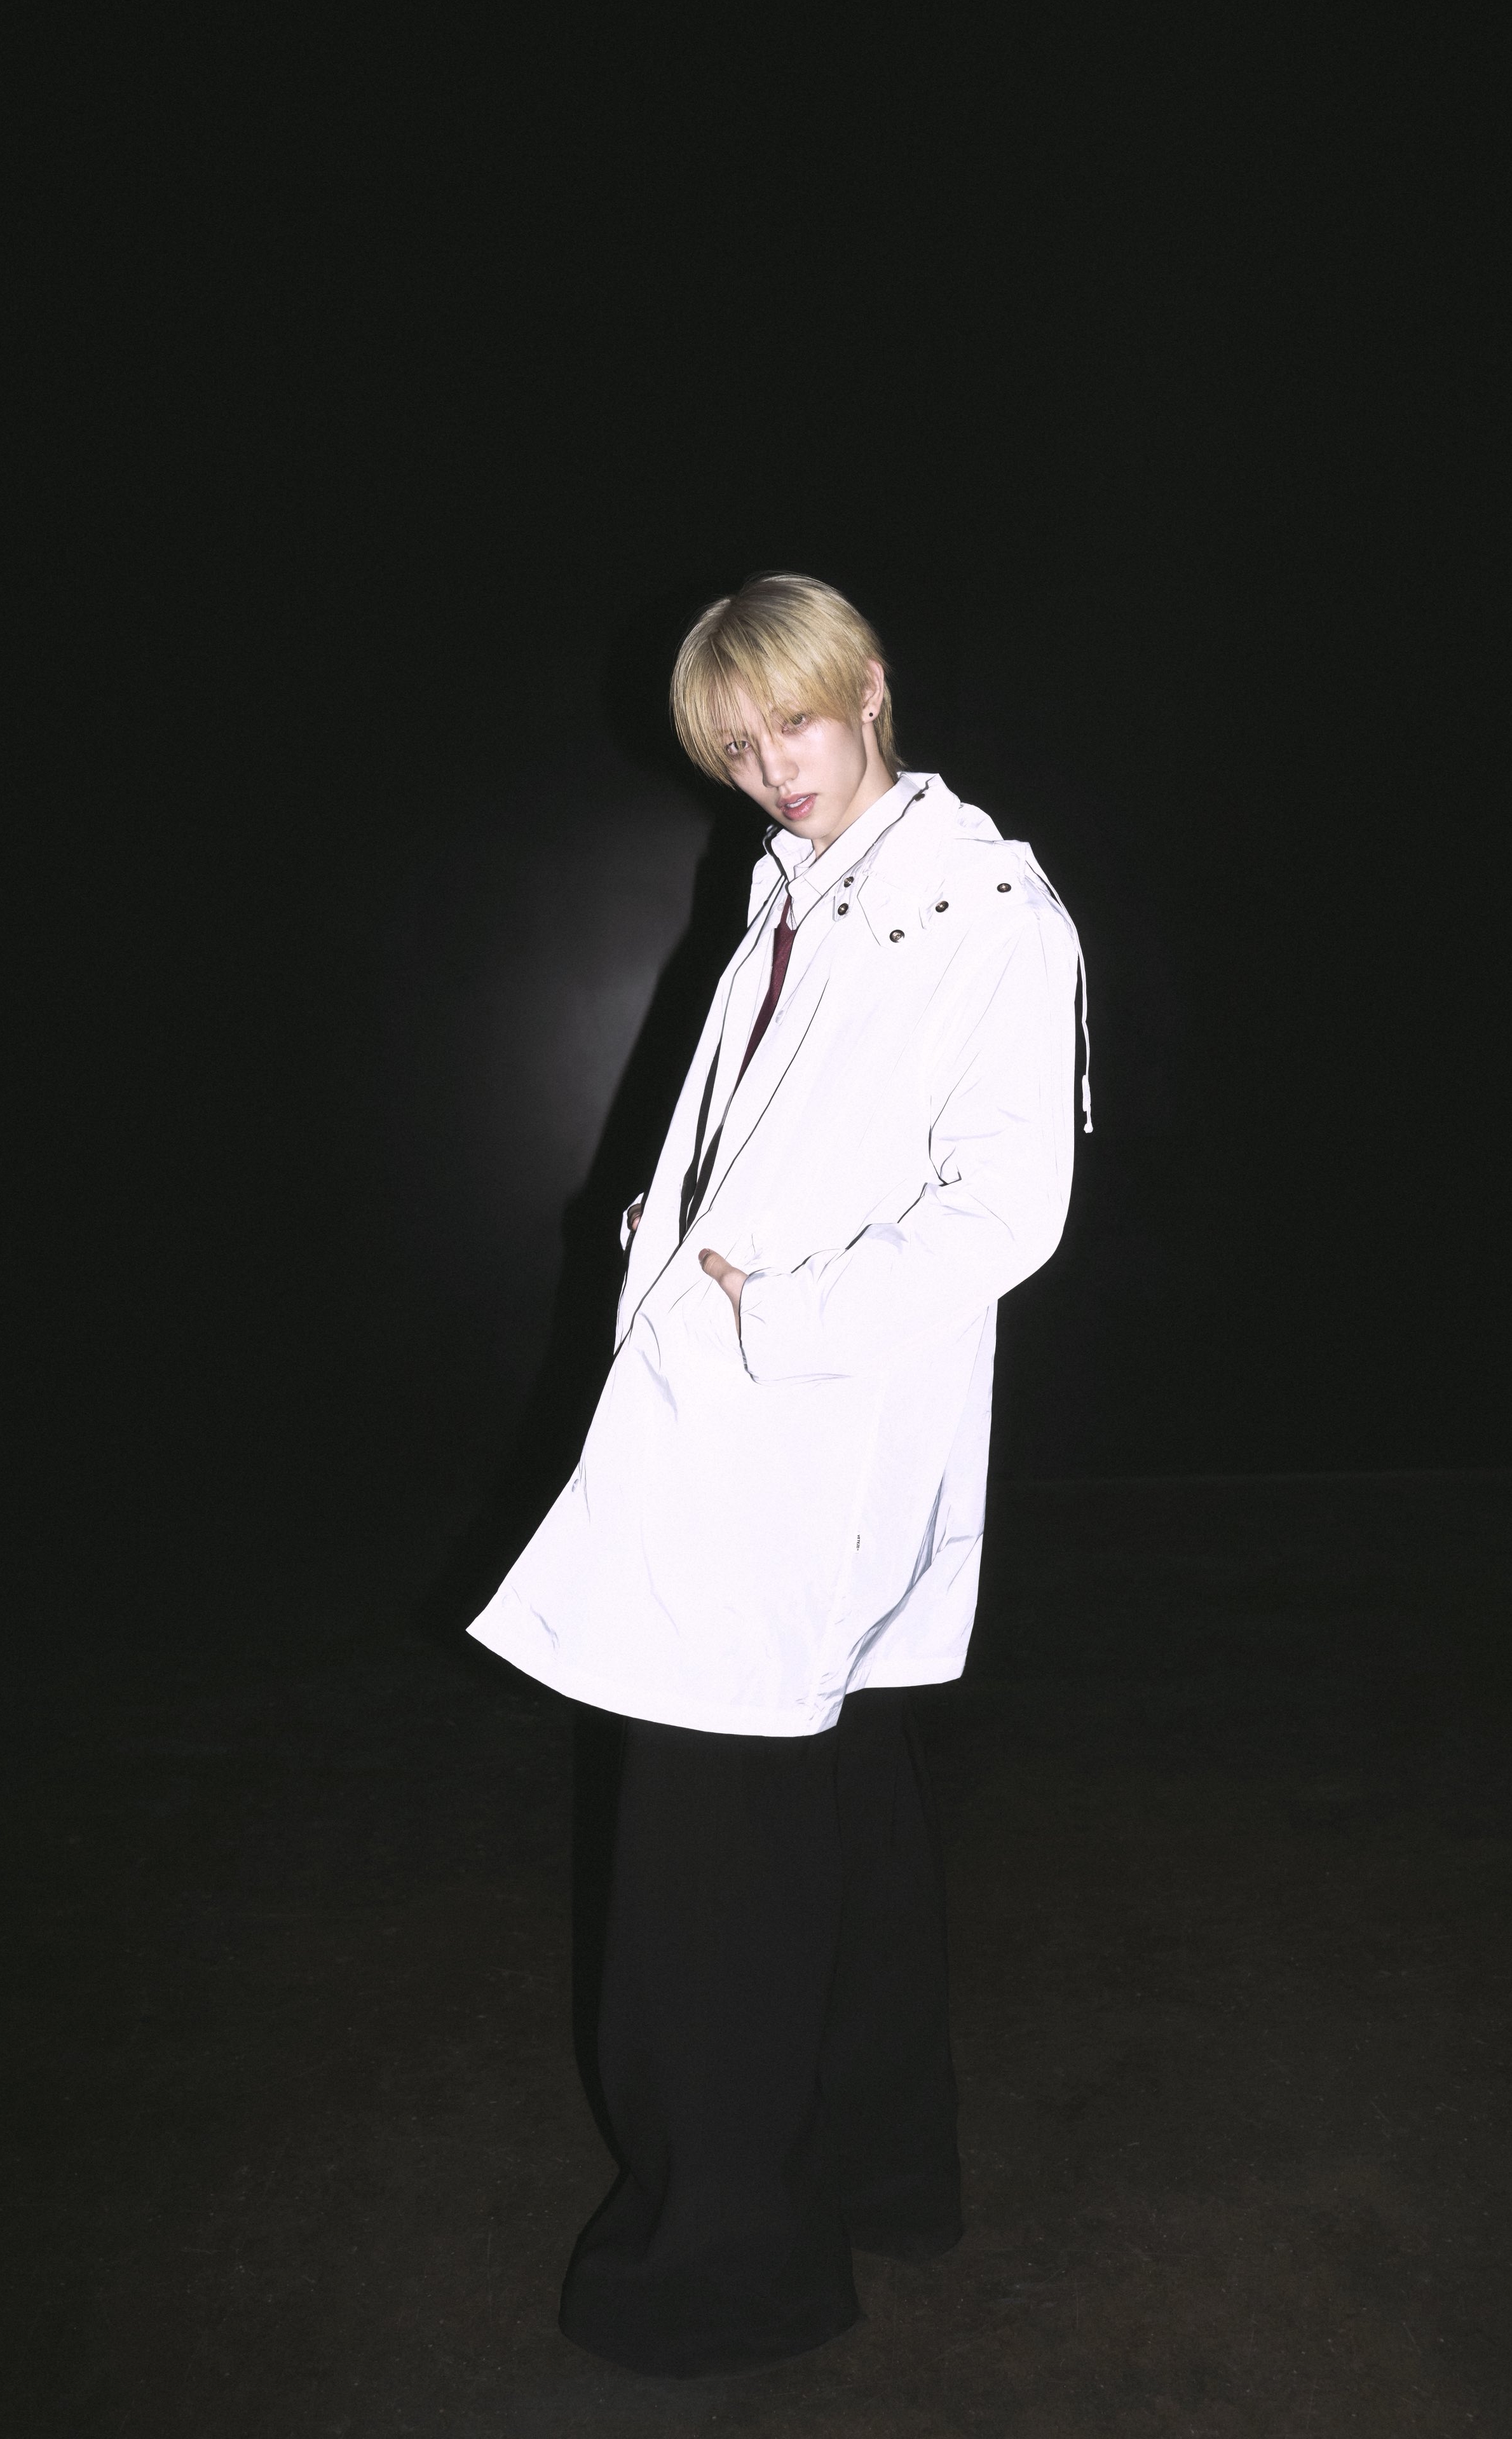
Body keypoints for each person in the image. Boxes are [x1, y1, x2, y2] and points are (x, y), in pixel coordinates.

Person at [470, 571, 1089, 2377]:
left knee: (708, 1878)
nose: (771, 769)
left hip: (804, 1434)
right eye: (736, 748)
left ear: (869, 686)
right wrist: (678, 1258)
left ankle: (724, 2269)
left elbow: (1010, 1207)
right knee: (849, 1823)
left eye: (793, 724)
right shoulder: (797, 886)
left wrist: (781, 1314)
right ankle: (888, 2177)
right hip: (751, 1425)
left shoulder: (983, 905)